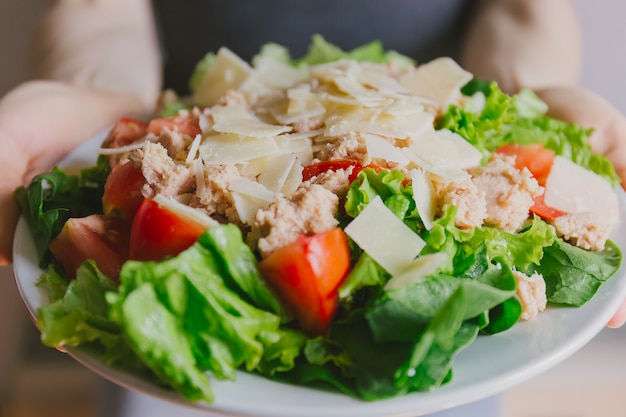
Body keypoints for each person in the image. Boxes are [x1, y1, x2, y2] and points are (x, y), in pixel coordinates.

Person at [1, 0, 626, 416]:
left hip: (423, 126)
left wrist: (523, 92)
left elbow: (526, 9)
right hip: (216, 119)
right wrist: (90, 93)